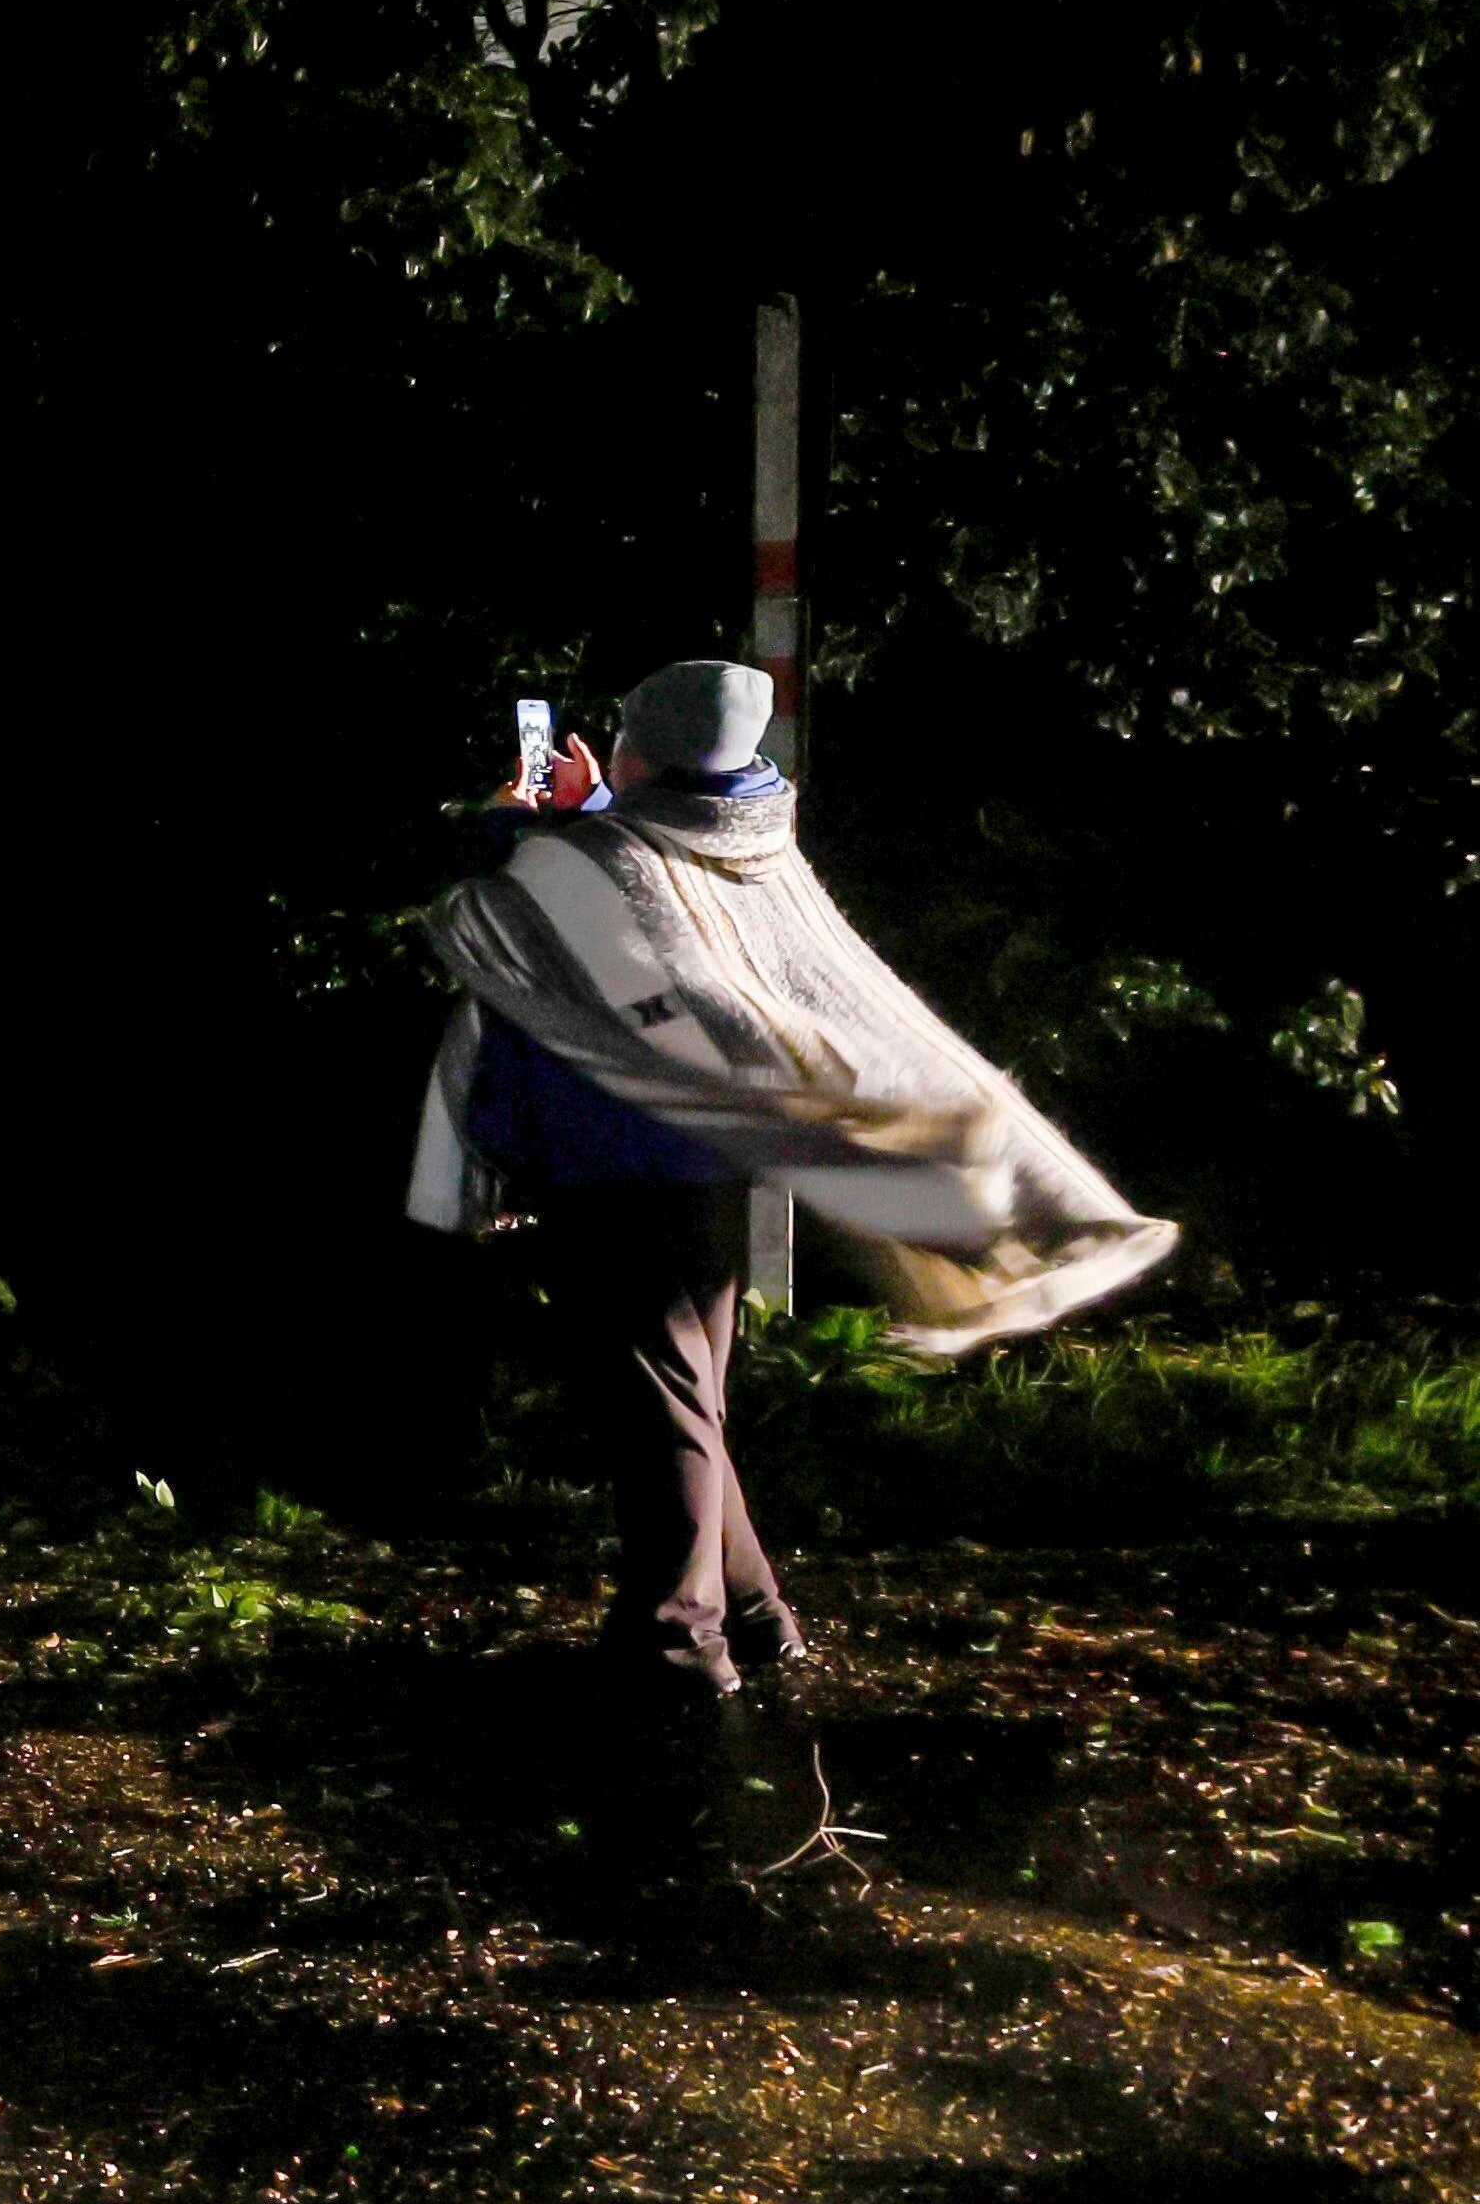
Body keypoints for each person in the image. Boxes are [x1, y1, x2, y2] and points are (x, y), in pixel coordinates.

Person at [407, 661, 1173, 1710]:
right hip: (692, 1166)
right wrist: (588, 809)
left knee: (664, 1413)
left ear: (651, 753)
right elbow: (627, 890)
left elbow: (515, 914)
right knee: (688, 1402)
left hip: (616, 1163)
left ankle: (678, 1647)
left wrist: (512, 824)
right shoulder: (740, 833)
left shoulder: (616, 852)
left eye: (625, 738)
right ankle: (757, 1615)